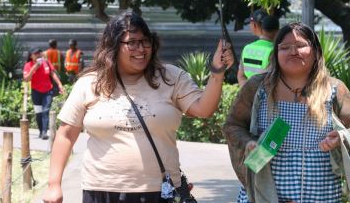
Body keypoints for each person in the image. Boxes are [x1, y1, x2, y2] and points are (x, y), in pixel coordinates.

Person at [42, 12, 234, 203]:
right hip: (101, 191)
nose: (141, 49)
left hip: (160, 192)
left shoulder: (171, 78)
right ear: (113, 46)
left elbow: (203, 109)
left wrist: (217, 72)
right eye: (132, 42)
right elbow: (66, 134)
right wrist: (54, 184)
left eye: (145, 41)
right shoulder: (90, 83)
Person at [223, 22, 350, 203]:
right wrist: (249, 143)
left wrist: (342, 138)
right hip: (264, 191)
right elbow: (232, 125)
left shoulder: (334, 89)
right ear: (275, 54)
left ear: (316, 52)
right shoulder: (258, 87)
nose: (293, 51)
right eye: (284, 47)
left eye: (300, 46)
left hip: (321, 194)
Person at [23, 47, 65, 140]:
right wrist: (34, 68)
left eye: (39, 53)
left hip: (47, 91)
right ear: (31, 56)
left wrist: (59, 84)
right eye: (35, 53)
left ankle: (45, 132)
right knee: (38, 113)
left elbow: (53, 73)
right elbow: (26, 79)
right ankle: (41, 131)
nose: (38, 55)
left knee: (46, 111)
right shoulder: (28, 65)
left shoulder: (46, 62)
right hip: (36, 92)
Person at [237, 10, 279, 87]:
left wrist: (248, 92)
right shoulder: (276, 50)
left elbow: (241, 76)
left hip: (248, 93)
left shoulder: (247, 48)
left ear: (254, 25)